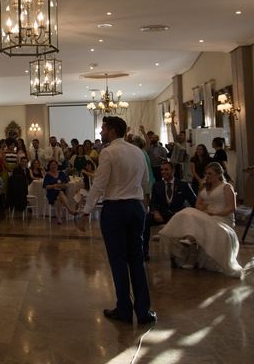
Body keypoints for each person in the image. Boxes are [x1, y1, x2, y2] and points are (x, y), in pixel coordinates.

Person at [76, 116, 156, 325]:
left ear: (111, 131)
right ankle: (144, 311)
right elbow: (146, 180)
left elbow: (99, 185)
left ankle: (124, 310)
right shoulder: (138, 151)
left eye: (102, 128)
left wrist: (86, 212)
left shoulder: (108, 152)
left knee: (118, 260)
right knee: (137, 259)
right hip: (136, 207)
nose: (100, 132)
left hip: (115, 210)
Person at [159, 162, 242, 278]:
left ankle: (190, 242)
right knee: (187, 211)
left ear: (219, 174)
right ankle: (182, 236)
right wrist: (202, 208)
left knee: (191, 216)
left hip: (222, 218)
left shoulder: (226, 187)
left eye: (210, 174)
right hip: (207, 215)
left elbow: (232, 208)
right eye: (206, 173)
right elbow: (197, 204)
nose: (207, 176)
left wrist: (215, 213)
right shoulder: (204, 186)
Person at [142, 161, 196, 261]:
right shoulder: (157, 186)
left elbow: (194, 202)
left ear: (173, 170)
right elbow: (153, 203)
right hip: (162, 214)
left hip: (178, 216)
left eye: (166, 169)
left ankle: (167, 238)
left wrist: (185, 213)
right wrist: (155, 212)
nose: (163, 172)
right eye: (162, 170)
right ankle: (144, 252)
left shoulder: (183, 185)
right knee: (145, 220)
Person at [42, 159, 75, 224]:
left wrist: (61, 186)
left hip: (60, 192)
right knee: (60, 194)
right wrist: (54, 185)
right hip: (52, 193)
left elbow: (66, 185)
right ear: (49, 167)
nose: (53, 166)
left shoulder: (62, 174)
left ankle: (59, 219)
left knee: (60, 197)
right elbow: (46, 187)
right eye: (51, 165)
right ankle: (69, 209)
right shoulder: (47, 175)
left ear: (57, 165)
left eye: (54, 164)